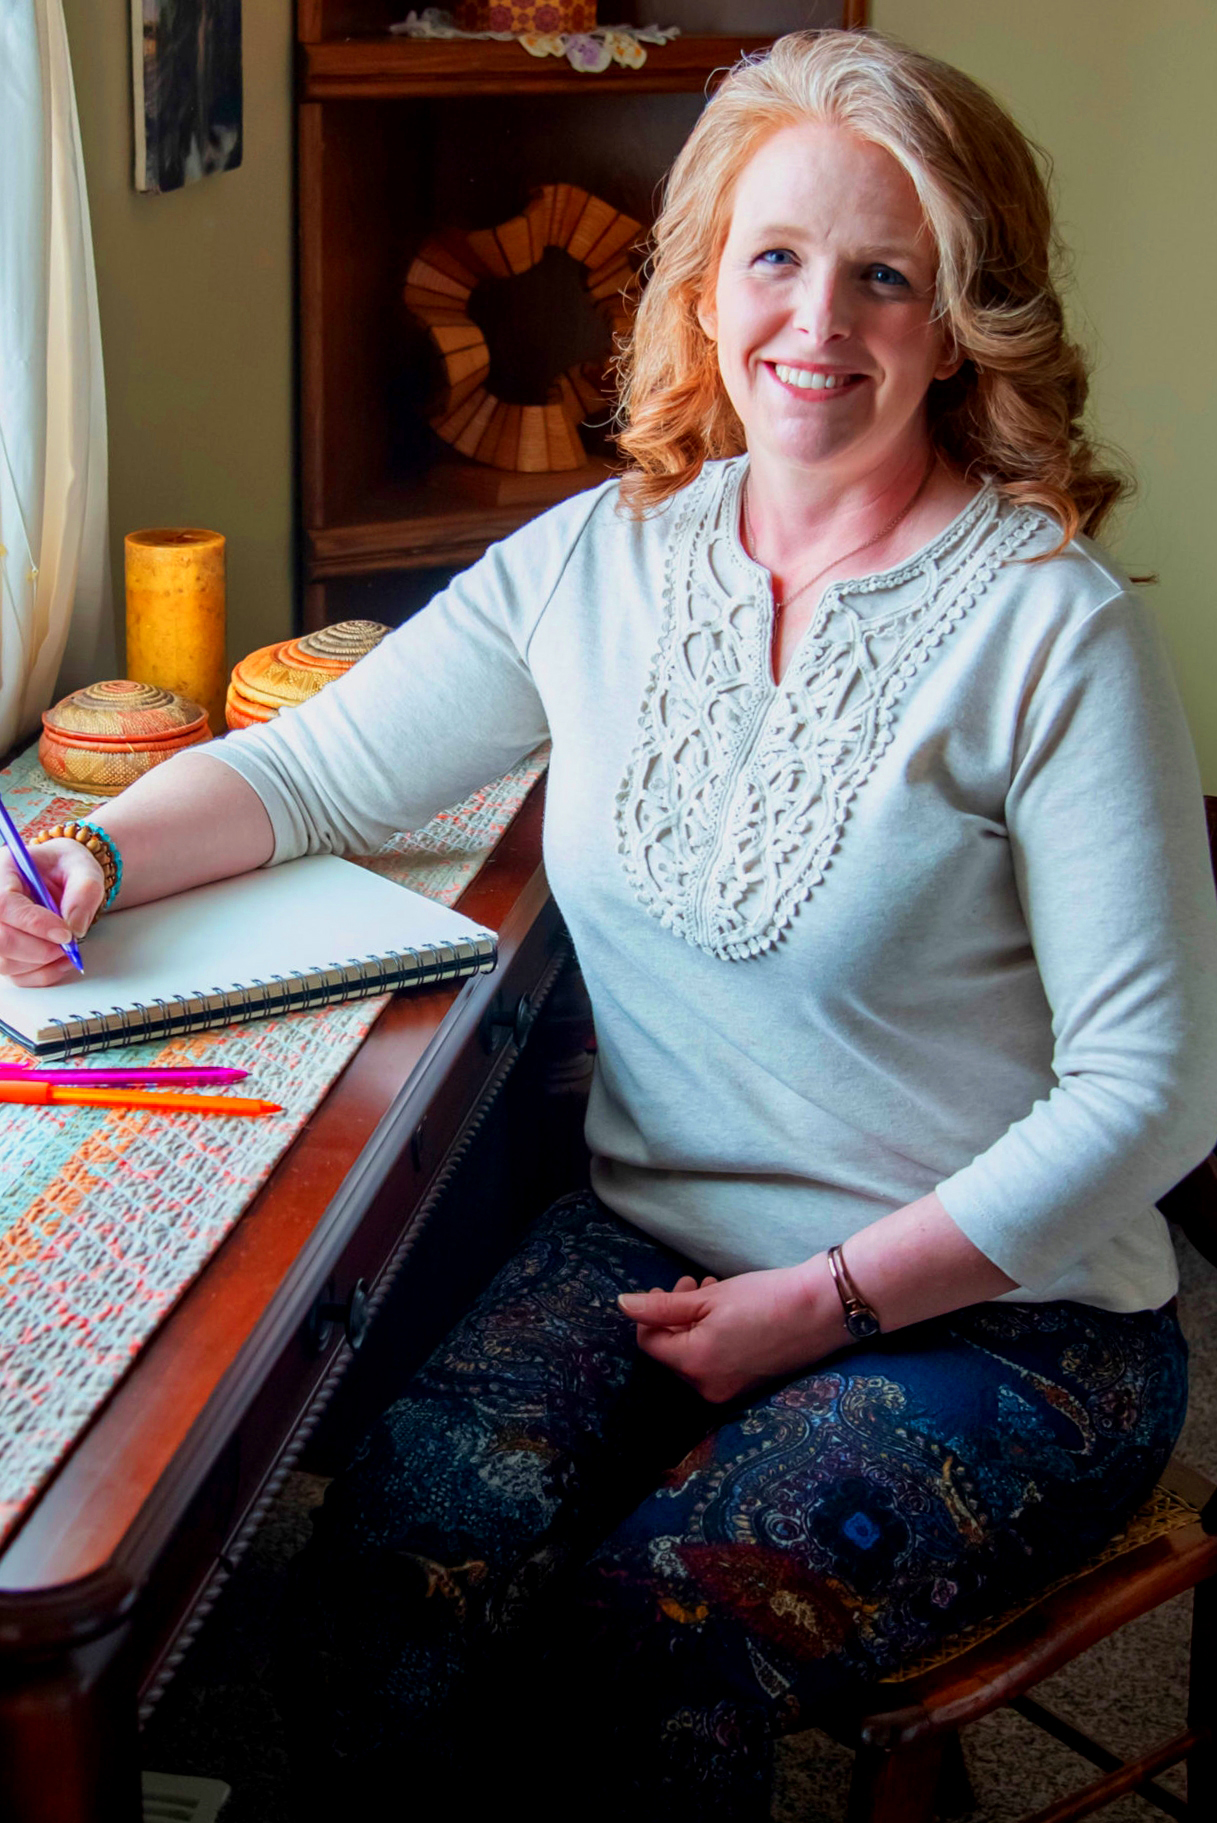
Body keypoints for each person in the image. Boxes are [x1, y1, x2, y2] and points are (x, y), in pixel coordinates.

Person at [3, 28, 1215, 1820]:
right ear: (707, 287)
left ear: (965, 316)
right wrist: (81, 867)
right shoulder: (602, 557)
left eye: (887, 274)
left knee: (637, 1646)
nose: (819, 318)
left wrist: (824, 1303)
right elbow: (312, 776)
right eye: (776, 258)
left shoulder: (1051, 636)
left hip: (1008, 1322)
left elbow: (1156, 1094)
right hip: (657, 1249)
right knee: (398, 1553)